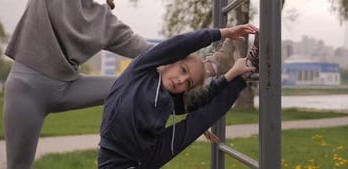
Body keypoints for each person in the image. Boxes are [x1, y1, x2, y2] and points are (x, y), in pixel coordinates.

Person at [2, 0, 240, 168]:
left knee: (137, 86)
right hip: (26, 87)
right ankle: (209, 70)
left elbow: (155, 55)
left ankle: (210, 69)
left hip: (67, 87)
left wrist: (193, 77)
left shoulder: (106, 23)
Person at [98, 24, 260, 169]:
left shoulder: (170, 100)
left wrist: (232, 75)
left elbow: (203, 98)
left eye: (188, 83)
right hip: (115, 154)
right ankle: (217, 65)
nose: (181, 80)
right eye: (182, 70)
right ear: (170, 61)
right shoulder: (141, 70)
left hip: (145, 155)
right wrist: (224, 33)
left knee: (200, 119)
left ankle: (243, 70)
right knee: (197, 115)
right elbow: (180, 44)